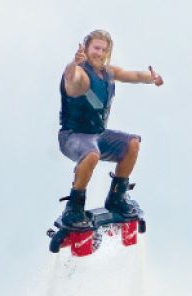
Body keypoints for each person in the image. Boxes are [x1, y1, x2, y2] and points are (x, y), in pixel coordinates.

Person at [58, 30, 164, 228]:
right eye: (96, 48)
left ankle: (117, 197)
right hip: (72, 136)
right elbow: (71, 77)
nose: (99, 53)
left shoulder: (109, 73)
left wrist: (152, 78)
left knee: (132, 143)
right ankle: (74, 207)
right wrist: (74, 63)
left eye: (104, 49)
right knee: (91, 154)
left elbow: (132, 75)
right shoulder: (80, 72)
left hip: (97, 135)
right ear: (87, 49)